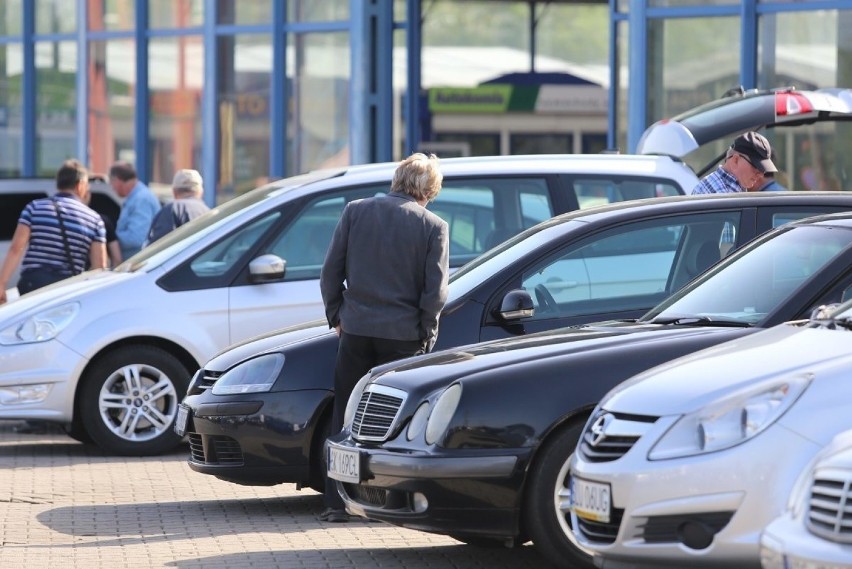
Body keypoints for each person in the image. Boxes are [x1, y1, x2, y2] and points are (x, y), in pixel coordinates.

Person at [318, 152, 450, 523]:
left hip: (356, 330)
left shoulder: (355, 211)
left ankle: (336, 502)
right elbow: (435, 293)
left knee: (345, 416)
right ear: (429, 190)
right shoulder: (433, 226)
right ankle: (387, 501)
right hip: (403, 337)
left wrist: (337, 317)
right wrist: (427, 334)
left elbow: (331, 273)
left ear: (397, 179)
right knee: (394, 422)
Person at [0, 159, 107, 304]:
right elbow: (99, 267)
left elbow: (16, 249)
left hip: (33, 284)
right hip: (67, 290)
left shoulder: (34, 208)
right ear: (80, 185)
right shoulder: (94, 219)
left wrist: (2, 284)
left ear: (58, 183)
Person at [692, 131, 778, 194]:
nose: (761, 174)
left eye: (763, 169)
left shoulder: (729, 190)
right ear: (735, 160)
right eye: (756, 166)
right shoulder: (722, 195)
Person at [109, 160, 161, 259]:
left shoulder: (141, 199)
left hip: (139, 263)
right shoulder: (137, 198)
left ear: (117, 180)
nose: (112, 187)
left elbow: (137, 238)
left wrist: (111, 240)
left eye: (111, 182)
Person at [146, 169, 211, 245]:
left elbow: (158, 247)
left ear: (174, 192)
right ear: (200, 192)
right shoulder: (210, 212)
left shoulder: (171, 210)